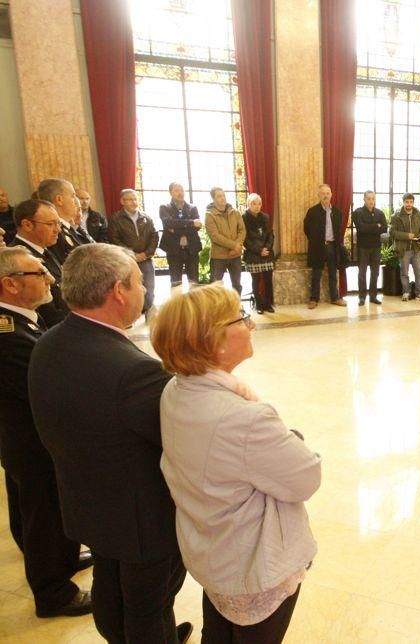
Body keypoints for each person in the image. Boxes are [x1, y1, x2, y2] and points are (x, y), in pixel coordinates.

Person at [28, 243, 191, 643]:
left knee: (110, 588)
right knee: (148, 603)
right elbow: (186, 441)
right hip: (141, 517)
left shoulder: (49, 342)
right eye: (138, 283)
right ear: (118, 290)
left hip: (88, 502)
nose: (144, 291)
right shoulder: (133, 372)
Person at [152, 285, 320, 643]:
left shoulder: (176, 390)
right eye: (242, 318)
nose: (252, 323)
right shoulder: (245, 418)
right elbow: (306, 477)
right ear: (216, 342)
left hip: (213, 553)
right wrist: (293, 437)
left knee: (218, 632)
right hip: (253, 565)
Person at [0, 247, 93, 618]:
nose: (50, 278)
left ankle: (65, 556)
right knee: (42, 515)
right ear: (9, 284)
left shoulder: (22, 319)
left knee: (47, 510)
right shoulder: (7, 333)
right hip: (30, 441)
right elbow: (45, 386)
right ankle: (53, 592)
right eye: (38, 273)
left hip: (30, 437)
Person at [9, 199, 70, 325]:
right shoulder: (17, 258)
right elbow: (43, 308)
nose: (57, 229)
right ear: (27, 225)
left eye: (58, 223)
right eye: (51, 224)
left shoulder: (44, 250)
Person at [107, 188, 159, 318]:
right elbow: (114, 239)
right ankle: (132, 314)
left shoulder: (146, 217)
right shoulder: (116, 219)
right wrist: (132, 255)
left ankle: (148, 311)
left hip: (146, 258)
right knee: (129, 287)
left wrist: (146, 253)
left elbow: (154, 236)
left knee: (149, 286)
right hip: (126, 260)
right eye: (129, 199)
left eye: (135, 199)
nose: (133, 202)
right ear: (122, 201)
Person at [304, 184, 347, 308]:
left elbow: (339, 229)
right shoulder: (312, 211)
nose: (325, 195)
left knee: (333, 274)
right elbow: (306, 229)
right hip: (318, 247)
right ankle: (313, 299)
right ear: (319, 195)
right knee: (316, 274)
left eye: (327, 193)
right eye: (323, 193)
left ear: (331, 195)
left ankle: (335, 298)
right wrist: (315, 240)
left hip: (332, 246)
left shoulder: (337, 212)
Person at [159, 182, 202, 290]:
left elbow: (197, 227)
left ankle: (195, 305)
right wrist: (191, 223)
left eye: (182, 190)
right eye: (177, 190)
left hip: (191, 249)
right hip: (174, 250)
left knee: (194, 281)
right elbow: (168, 223)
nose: (180, 193)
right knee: (176, 282)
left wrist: (175, 229)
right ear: (171, 192)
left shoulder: (192, 208)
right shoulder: (165, 207)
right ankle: (177, 306)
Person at [205, 187, 245, 296]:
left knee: (237, 284)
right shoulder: (209, 215)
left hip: (235, 255)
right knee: (216, 286)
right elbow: (215, 236)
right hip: (219, 257)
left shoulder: (235, 212)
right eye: (219, 196)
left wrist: (238, 245)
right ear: (213, 199)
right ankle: (216, 311)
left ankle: (236, 308)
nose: (222, 198)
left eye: (223, 195)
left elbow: (242, 230)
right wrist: (234, 245)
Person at [391, 193, 420, 302]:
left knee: (419, 273)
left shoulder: (418, 214)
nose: (409, 204)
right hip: (404, 250)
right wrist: (407, 236)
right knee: (404, 273)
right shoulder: (396, 216)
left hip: (416, 249)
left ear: (413, 202)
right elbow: (392, 232)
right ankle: (406, 292)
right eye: (406, 202)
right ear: (403, 202)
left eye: (411, 202)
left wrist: (419, 236)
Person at [351, 190, 387, 305]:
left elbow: (384, 228)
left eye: (373, 198)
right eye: (369, 198)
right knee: (362, 273)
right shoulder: (358, 212)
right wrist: (376, 226)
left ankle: (373, 296)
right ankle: (362, 297)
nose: (371, 201)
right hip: (363, 248)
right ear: (364, 199)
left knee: (375, 273)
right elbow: (361, 228)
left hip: (376, 247)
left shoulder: (380, 213)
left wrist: (370, 228)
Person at [37, 178, 84, 265]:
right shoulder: (54, 232)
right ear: (59, 200)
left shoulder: (67, 228)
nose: (77, 202)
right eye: (73, 196)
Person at [242, 193, 275, 314]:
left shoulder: (265, 217)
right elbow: (245, 239)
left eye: (259, 204)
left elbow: (270, 235)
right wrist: (258, 250)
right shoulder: (243, 218)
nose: (257, 206)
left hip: (266, 253)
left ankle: (268, 304)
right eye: (253, 204)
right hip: (253, 254)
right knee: (256, 281)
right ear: (248, 204)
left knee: (268, 281)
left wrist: (267, 248)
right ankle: (258, 305)